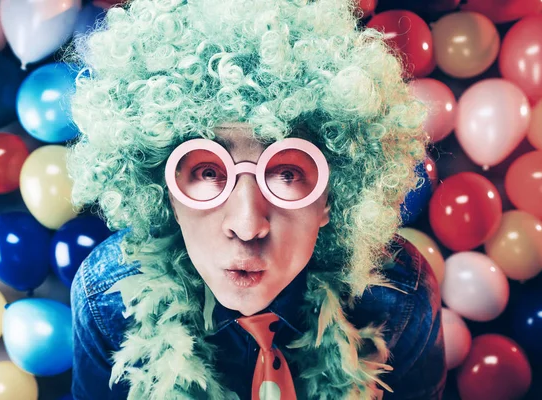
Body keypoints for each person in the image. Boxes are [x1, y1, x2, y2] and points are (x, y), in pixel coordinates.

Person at [66, 0, 447, 399]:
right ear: (166, 193)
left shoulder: (401, 297)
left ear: (332, 198)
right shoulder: (105, 302)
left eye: (287, 174)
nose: (247, 226)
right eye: (208, 172)